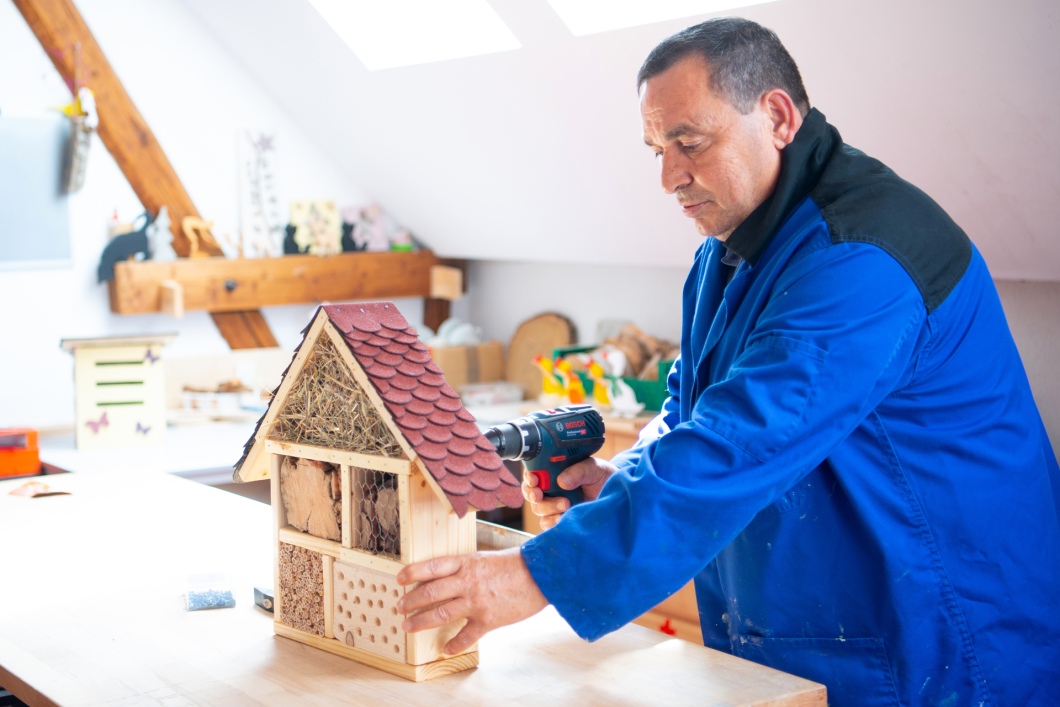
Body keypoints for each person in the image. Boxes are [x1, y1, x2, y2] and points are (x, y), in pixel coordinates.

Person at [396, 17, 1060, 705]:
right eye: (657, 149)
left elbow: (739, 442)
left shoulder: (863, 259)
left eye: (690, 143)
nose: (669, 177)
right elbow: (692, 411)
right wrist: (622, 479)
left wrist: (538, 574)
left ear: (777, 117)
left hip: (947, 643)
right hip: (832, 638)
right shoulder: (729, 250)